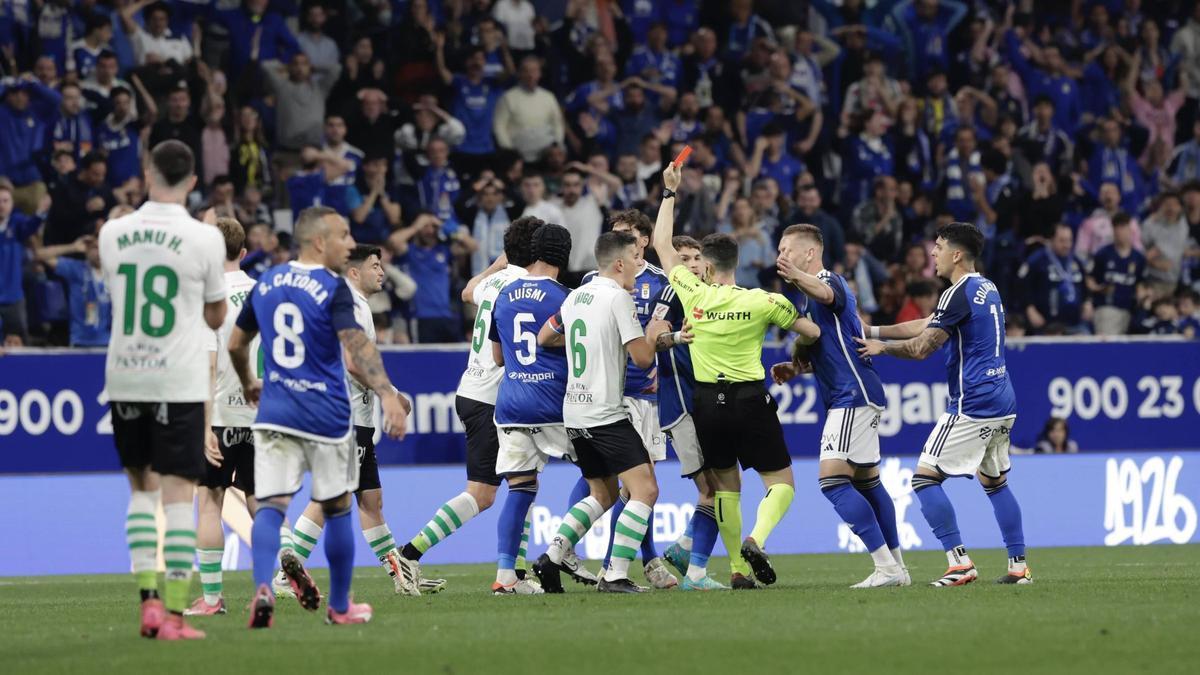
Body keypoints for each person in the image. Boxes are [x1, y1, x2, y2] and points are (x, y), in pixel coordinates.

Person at [228, 206, 409, 628]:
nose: (349, 245)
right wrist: (387, 394)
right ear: (318, 241)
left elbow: (237, 343)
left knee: (270, 508)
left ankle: (263, 588)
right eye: (343, 236)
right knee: (339, 506)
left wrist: (248, 381)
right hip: (325, 413)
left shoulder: (267, 280)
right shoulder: (333, 287)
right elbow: (356, 347)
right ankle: (341, 606)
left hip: (274, 411)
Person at [652, 163, 820, 590]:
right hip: (750, 399)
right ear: (736, 263)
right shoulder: (763, 301)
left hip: (707, 404)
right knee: (781, 482)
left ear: (705, 267)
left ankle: (736, 569)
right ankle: (755, 539)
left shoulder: (693, 294)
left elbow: (661, 245)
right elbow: (812, 331)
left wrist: (670, 192)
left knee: (725, 489)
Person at [98, 141, 229, 640]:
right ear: (193, 182)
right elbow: (215, 315)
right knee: (178, 497)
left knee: (140, 491)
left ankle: (148, 603)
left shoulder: (112, 233)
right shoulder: (204, 239)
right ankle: (174, 614)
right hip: (177, 379)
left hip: (126, 374)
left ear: (147, 173)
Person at [857, 222, 1031, 587]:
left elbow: (923, 347)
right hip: (1004, 397)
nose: (932, 253)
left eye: (938, 247)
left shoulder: (957, 293)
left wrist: (881, 349)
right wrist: (873, 331)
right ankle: (1019, 568)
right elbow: (928, 323)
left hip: (974, 402)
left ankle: (960, 564)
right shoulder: (986, 287)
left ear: (956, 254)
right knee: (995, 482)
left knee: (923, 478)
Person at [276, 245, 436, 597]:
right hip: (344, 416)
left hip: (350, 417)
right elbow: (352, 362)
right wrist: (389, 394)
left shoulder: (350, 304)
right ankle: (285, 576)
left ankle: (400, 574)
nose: (381, 272)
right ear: (354, 272)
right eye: (375, 265)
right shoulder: (353, 306)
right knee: (331, 497)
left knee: (370, 499)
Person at [531, 230, 670, 594]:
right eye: (635, 258)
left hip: (574, 412)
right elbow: (642, 358)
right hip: (605, 412)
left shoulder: (576, 296)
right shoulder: (618, 299)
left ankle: (553, 555)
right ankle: (615, 575)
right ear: (620, 263)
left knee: (602, 492)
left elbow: (546, 336)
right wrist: (653, 332)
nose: (639, 265)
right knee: (645, 489)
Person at [772, 224, 907, 588]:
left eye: (787, 249)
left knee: (832, 481)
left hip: (852, 395)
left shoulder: (829, 281)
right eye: (779, 250)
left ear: (810, 253)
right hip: (858, 392)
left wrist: (797, 276)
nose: (781, 255)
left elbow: (829, 294)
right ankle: (897, 567)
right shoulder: (806, 297)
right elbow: (837, 347)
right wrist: (799, 368)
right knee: (868, 483)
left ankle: (886, 568)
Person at [485, 223, 584, 594]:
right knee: (602, 476)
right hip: (556, 403)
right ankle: (562, 549)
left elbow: (497, 358)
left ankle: (506, 576)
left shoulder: (504, 293)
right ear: (564, 255)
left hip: (511, 404)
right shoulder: (566, 297)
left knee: (521, 489)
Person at [582, 209, 678, 590]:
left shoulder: (661, 283)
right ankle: (616, 564)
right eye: (614, 234)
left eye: (626, 235)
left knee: (636, 485)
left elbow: (669, 336)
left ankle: (644, 559)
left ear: (643, 241)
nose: (618, 242)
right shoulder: (595, 281)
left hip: (643, 394)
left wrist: (664, 338)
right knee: (624, 484)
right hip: (608, 394)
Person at [182, 215, 260, 616]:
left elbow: (207, 365)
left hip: (219, 416)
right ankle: (272, 583)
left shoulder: (206, 298)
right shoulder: (266, 292)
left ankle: (212, 599)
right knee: (262, 504)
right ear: (243, 253)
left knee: (210, 503)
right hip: (262, 416)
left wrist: (204, 424)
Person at [650, 236, 721, 590]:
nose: (692, 264)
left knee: (722, 486)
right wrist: (677, 337)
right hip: (682, 403)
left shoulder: (708, 294)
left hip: (708, 400)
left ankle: (684, 549)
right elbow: (653, 337)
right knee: (713, 490)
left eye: (697, 258)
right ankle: (695, 573)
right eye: (684, 258)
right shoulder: (670, 293)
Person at [34, 229, 111, 347]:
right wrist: (72, 247)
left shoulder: (115, 272)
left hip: (107, 340)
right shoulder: (76, 269)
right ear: (86, 249)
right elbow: (40, 255)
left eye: (103, 247)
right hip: (80, 340)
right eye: (95, 248)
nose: (99, 252)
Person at [1017, 224, 1092, 335]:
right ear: (1051, 240)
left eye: (1069, 240)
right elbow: (1022, 286)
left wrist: (1087, 302)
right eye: (1062, 241)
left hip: (1075, 325)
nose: (1067, 245)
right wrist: (1030, 309)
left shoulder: (1076, 261)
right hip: (1046, 326)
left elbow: (1085, 286)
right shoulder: (1037, 260)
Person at [0, 181, 45, 346]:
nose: (2, 205)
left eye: (6, 201)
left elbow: (30, 226)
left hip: (13, 299)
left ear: (12, 204)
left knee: (19, 346)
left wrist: (40, 214)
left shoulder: (17, 224)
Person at [1088, 214, 1147, 336]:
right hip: (1107, 308)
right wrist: (1099, 289)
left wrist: (1142, 294)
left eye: (1123, 227)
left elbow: (1140, 282)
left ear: (1130, 230)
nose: (1120, 232)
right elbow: (1090, 278)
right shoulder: (1103, 253)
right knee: (1108, 347)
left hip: (1130, 309)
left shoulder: (1138, 257)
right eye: (1117, 228)